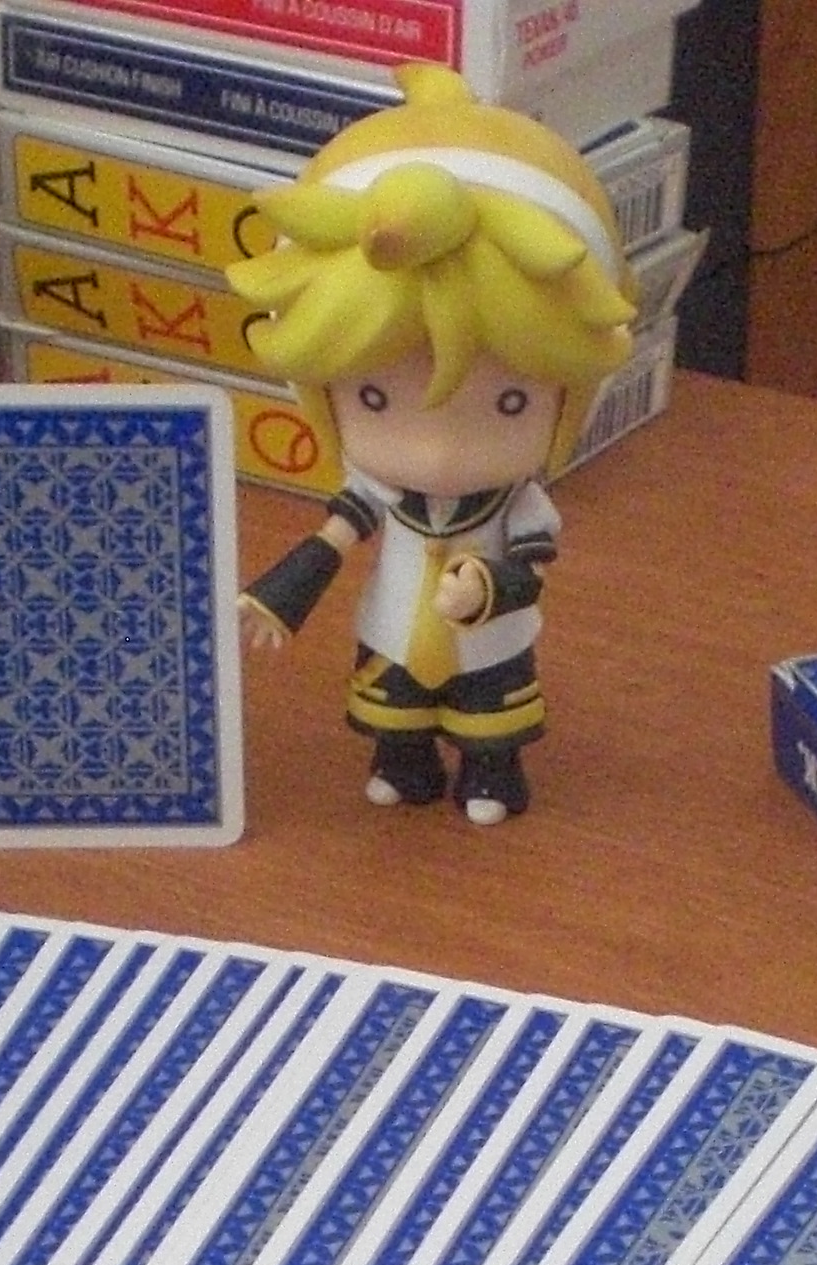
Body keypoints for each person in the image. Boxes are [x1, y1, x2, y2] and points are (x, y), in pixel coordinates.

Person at [228, 65, 635, 826]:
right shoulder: (377, 491)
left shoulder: (517, 503)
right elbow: (331, 541)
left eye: (508, 402)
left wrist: (486, 588)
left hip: (491, 641)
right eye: (375, 398)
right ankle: (403, 758)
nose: (440, 449)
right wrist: (277, 599)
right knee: (395, 707)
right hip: (394, 631)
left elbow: (532, 567)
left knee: (491, 709)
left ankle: (490, 768)